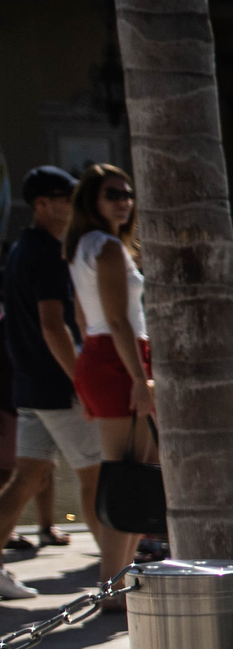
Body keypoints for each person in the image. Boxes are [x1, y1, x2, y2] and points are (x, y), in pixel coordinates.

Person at [0, 166, 90, 601]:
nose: (72, 206)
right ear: (41, 205)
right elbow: (54, 327)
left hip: (30, 384)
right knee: (97, 477)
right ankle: (118, 571)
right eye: (64, 198)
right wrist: (81, 381)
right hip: (55, 386)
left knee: (27, 480)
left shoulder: (22, 249)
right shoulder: (45, 254)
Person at [64, 165, 147, 588]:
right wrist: (138, 378)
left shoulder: (82, 246)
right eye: (112, 193)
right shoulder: (109, 248)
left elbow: (82, 320)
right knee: (127, 474)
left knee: (128, 471)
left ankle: (120, 577)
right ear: (92, 201)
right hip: (120, 357)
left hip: (102, 356)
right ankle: (114, 583)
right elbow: (117, 320)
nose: (123, 200)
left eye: (127, 193)